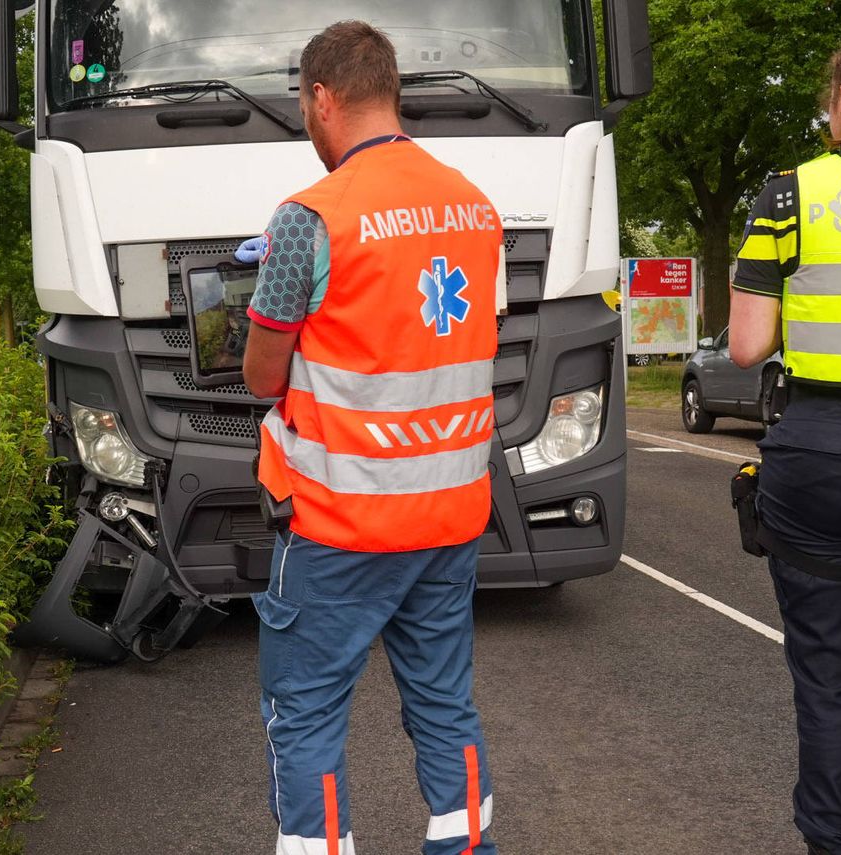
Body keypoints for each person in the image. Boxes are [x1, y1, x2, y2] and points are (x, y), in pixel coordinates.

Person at [239, 21, 504, 855]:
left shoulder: (308, 218)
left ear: (322, 98)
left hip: (342, 521)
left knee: (306, 708)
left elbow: (259, 375)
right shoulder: (474, 204)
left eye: (302, 105)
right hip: (451, 512)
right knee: (443, 700)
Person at [729, 26, 841, 855]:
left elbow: (746, 347)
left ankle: (834, 844)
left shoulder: (789, 193)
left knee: (829, 679)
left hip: (820, 446)